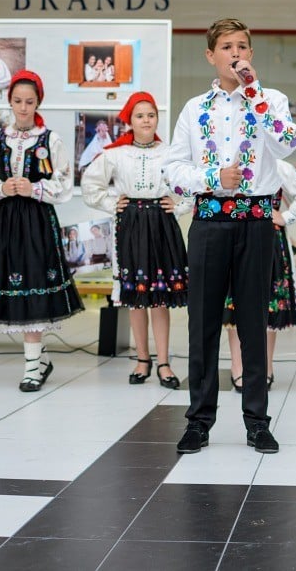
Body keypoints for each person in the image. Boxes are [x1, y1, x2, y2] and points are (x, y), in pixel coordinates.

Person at [164, 18, 296, 455]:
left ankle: (257, 421)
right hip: (207, 220)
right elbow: (173, 168)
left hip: (257, 222)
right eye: (227, 47)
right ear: (211, 55)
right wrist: (212, 176)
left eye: (242, 46)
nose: (236, 53)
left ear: (251, 54)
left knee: (253, 325)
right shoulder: (194, 108)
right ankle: (199, 421)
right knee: (202, 322)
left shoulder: (271, 99)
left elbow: (288, 145)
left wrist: (255, 93)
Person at [0, 70, 84, 392]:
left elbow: (64, 182)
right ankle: (40, 360)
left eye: (29, 102)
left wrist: (34, 188)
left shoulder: (50, 139)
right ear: (10, 101)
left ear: (38, 103)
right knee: (17, 283)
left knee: (35, 282)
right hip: (9, 218)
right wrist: (2, 186)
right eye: (18, 101)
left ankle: (32, 368)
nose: (23, 108)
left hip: (37, 219)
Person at [82, 92, 190, 388]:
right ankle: (143, 359)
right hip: (130, 224)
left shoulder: (170, 152)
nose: (146, 120)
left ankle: (164, 362)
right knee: (137, 298)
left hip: (161, 224)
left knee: (160, 299)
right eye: (140, 115)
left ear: (157, 119)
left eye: (151, 115)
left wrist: (178, 206)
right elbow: (90, 184)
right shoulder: (116, 154)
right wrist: (112, 203)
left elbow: (191, 185)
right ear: (130, 120)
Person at [226, 159, 296, 392]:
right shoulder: (226, 158)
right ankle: (237, 367)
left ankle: (265, 368)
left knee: (267, 304)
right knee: (234, 305)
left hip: (267, 237)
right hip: (230, 235)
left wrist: (286, 216)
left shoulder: (277, 165)